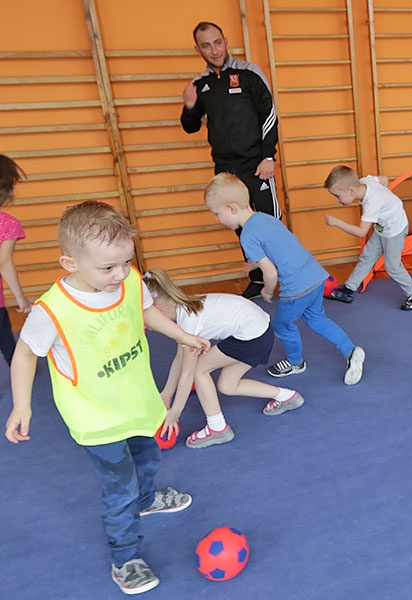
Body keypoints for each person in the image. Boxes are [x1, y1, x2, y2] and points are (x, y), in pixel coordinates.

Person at [4, 201, 210, 595]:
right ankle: (125, 558)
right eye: (107, 268)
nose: (120, 275)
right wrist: (22, 404)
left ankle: (148, 499)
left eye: (125, 263)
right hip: (97, 420)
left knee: (148, 460)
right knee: (120, 490)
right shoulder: (52, 310)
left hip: (138, 403)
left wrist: (182, 336)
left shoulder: (129, 279)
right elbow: (26, 354)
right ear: (70, 264)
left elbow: (146, 311)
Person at [204, 173, 365, 383]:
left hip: (296, 288)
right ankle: (351, 351)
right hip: (315, 276)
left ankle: (295, 363)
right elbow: (283, 244)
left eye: (216, 213)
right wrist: (256, 262)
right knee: (316, 318)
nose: (216, 219)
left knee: (282, 325)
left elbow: (270, 274)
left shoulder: (247, 235)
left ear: (232, 208)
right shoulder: (265, 218)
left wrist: (267, 291)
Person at [143, 267, 304, 450]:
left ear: (158, 310)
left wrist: (175, 413)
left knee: (198, 370)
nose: (146, 326)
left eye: (146, 319)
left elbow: (187, 372)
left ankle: (217, 428)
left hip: (253, 337)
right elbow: (179, 358)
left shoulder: (188, 321)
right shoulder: (185, 306)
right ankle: (287, 396)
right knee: (227, 386)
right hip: (259, 330)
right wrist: (167, 393)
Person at [180, 21, 280, 300]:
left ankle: (289, 274)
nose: (213, 50)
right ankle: (258, 280)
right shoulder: (200, 85)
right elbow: (190, 126)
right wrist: (189, 107)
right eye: (206, 45)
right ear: (198, 48)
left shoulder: (248, 73)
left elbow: (269, 114)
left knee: (269, 222)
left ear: (226, 40)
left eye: (217, 42)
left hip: (257, 164)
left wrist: (268, 156)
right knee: (240, 225)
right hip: (226, 169)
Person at [323, 165, 412, 310]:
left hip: (395, 229)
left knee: (393, 267)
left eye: (338, 196)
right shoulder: (364, 182)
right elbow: (384, 179)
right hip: (382, 227)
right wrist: (386, 201)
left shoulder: (372, 202)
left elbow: (361, 232)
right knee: (367, 257)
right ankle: (348, 289)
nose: (337, 200)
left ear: (351, 190)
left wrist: (336, 222)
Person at [0, 155, 32, 364]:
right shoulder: (7, 224)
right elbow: (4, 263)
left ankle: (18, 363)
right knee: (5, 338)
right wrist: (21, 299)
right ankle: (19, 365)